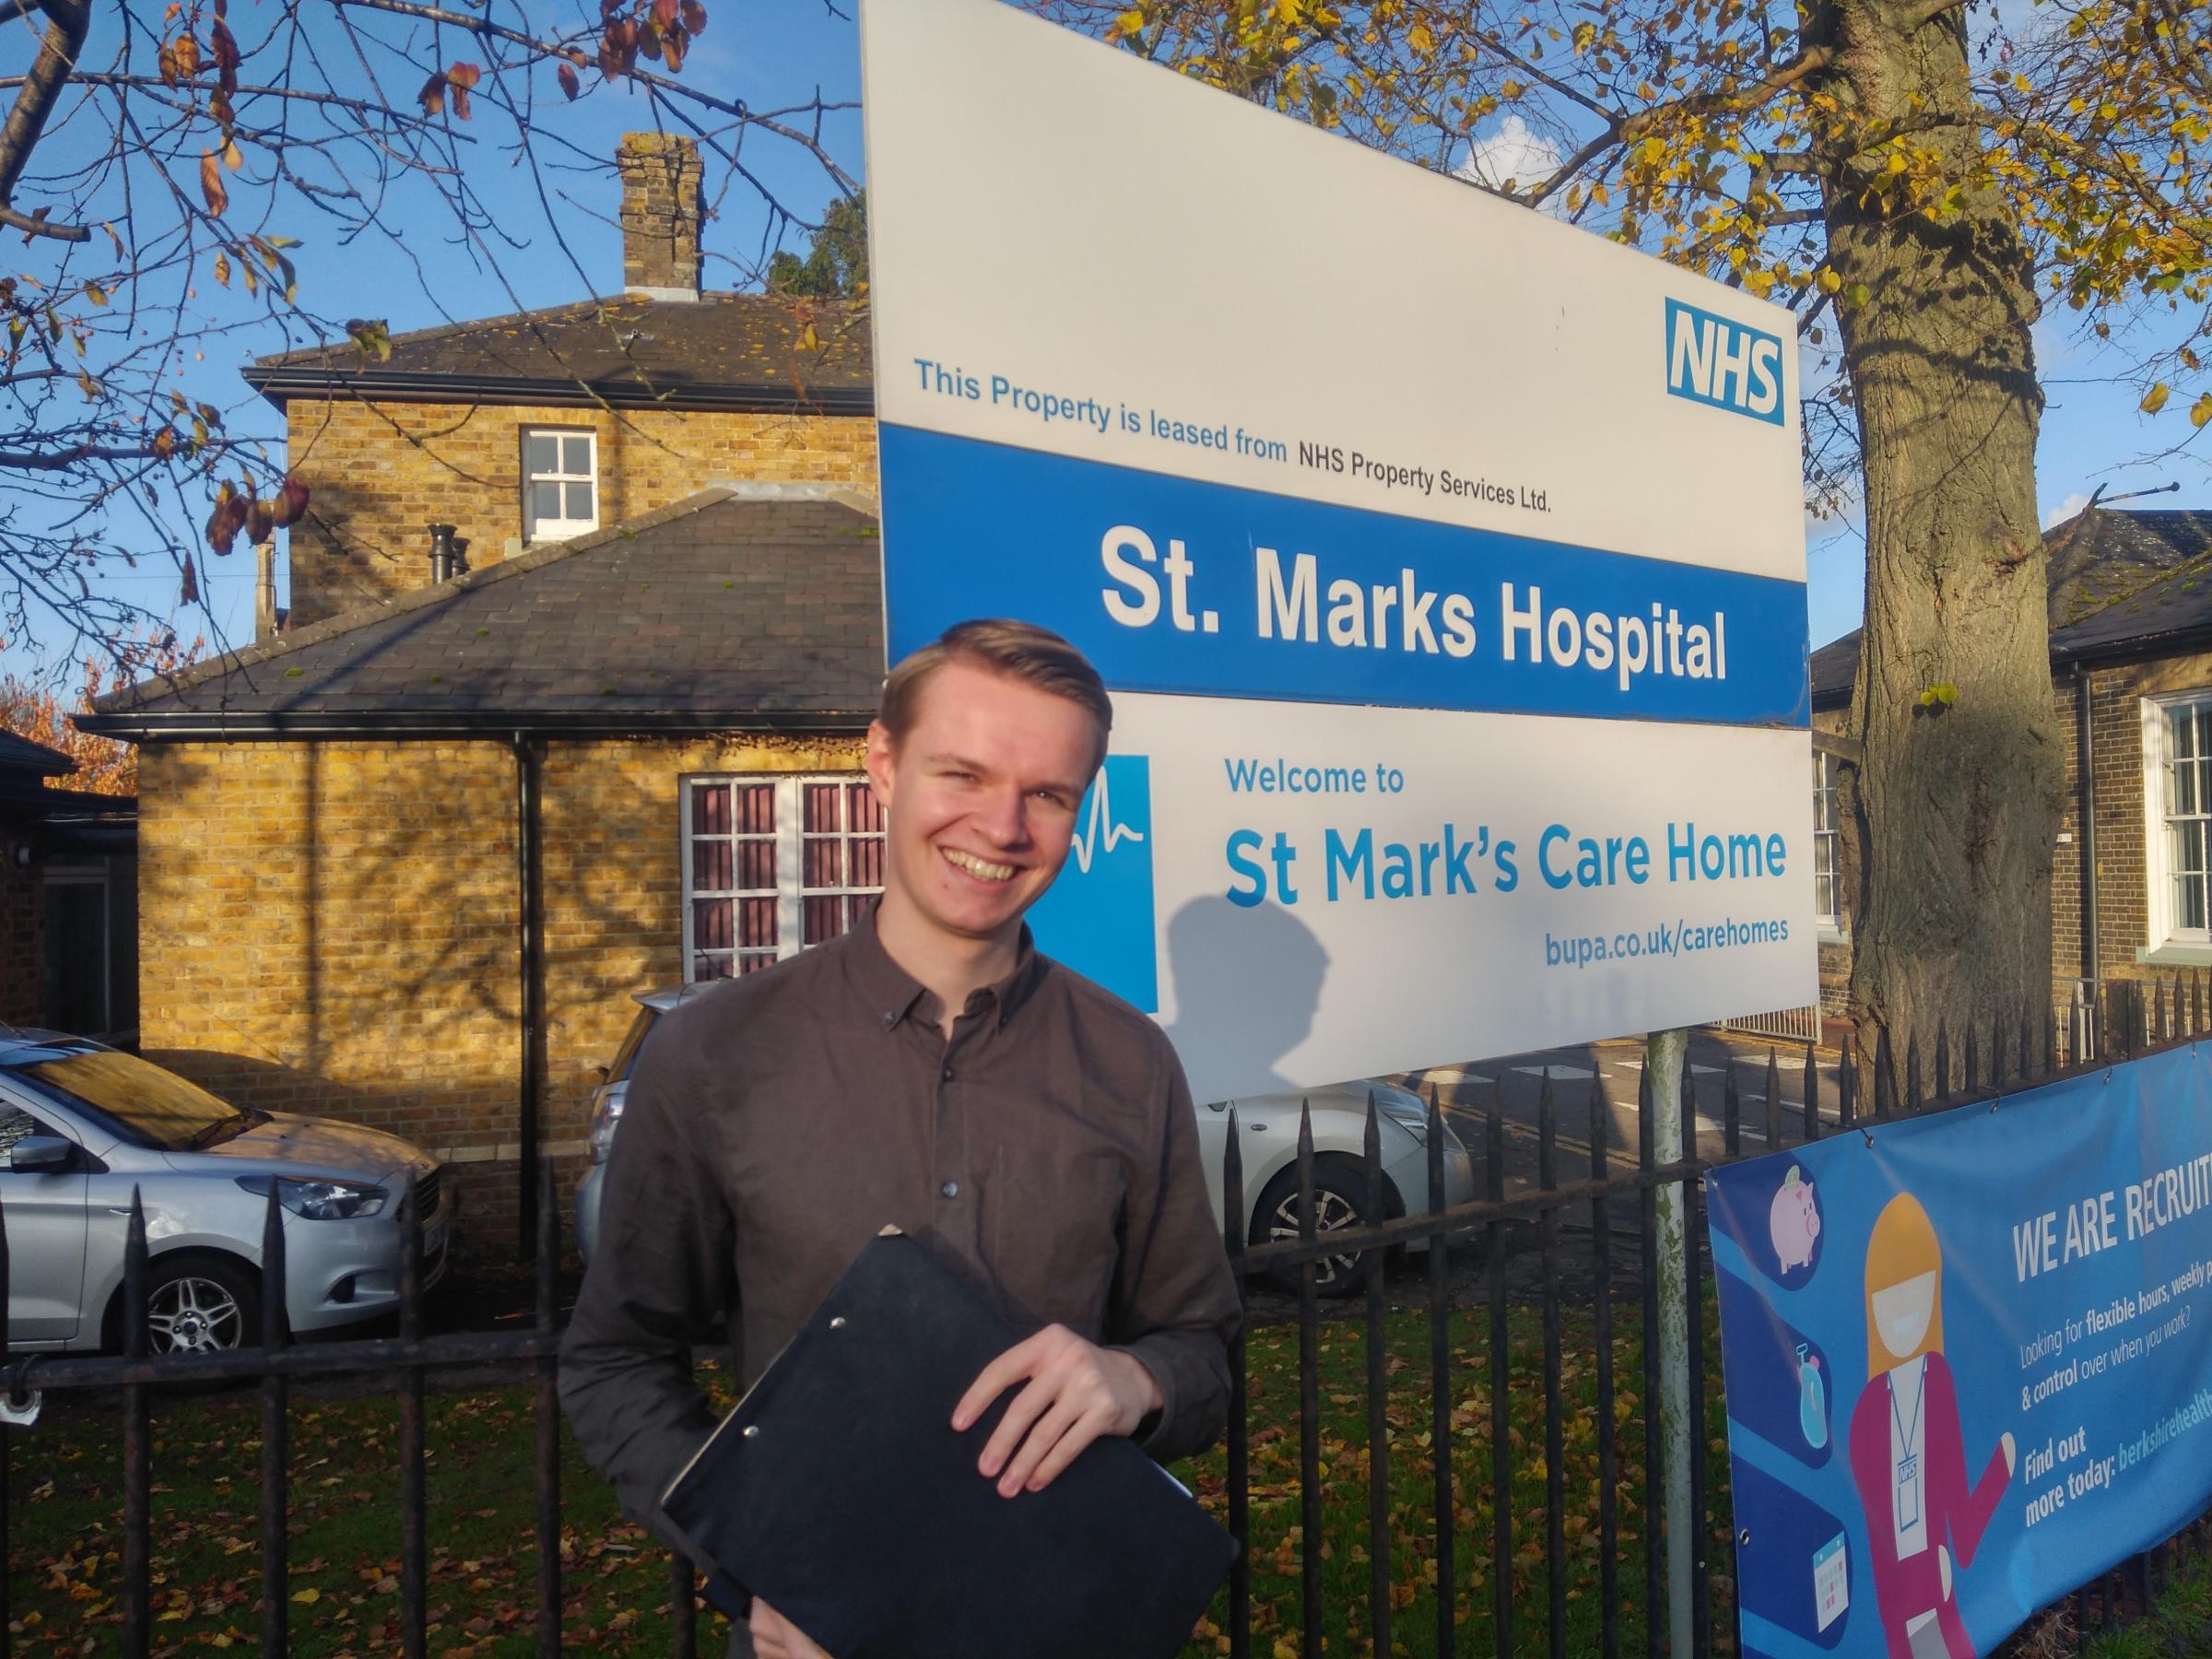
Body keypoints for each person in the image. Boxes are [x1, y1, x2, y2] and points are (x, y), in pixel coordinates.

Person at [560, 619, 1242, 1659]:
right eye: (963, 773)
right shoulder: (715, 1055)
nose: (1003, 826)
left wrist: (1136, 1382)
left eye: (1048, 795)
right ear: (883, 765)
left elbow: (1203, 1350)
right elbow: (616, 1358)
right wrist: (749, 1567)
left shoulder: (1130, 1061)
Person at [1847, 1192, 2014, 1659]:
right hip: (1902, 1604)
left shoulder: (1938, 1381)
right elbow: (1879, 1541)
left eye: (1917, 1294)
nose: (1904, 1315)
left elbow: (1961, 1529)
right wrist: (1917, 1582)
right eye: (1889, 1300)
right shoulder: (1865, 1415)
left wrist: (2002, 1469)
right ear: (1871, 1305)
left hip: (1942, 1592)